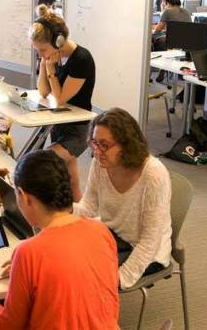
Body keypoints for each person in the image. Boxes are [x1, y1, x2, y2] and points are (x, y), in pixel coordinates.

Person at [0, 150, 119, 329]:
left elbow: (7, 326)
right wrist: (27, 272)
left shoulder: (28, 252)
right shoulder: (101, 231)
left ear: (23, 196)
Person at [74, 108, 172, 289]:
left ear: (127, 145)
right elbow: (88, 207)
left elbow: (150, 241)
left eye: (104, 145)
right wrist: (57, 210)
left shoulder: (153, 175)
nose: (97, 152)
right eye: (95, 143)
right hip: (113, 234)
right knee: (65, 256)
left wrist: (119, 278)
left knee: (84, 277)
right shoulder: (100, 163)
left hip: (147, 251)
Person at [30, 6, 95, 200]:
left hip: (78, 130)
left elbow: (60, 99)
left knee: (39, 163)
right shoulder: (53, 56)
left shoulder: (81, 59)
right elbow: (43, 91)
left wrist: (50, 68)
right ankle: (79, 212)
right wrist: (44, 63)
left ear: (58, 41)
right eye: (37, 50)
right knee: (71, 181)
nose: (41, 54)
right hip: (59, 124)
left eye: (42, 50)